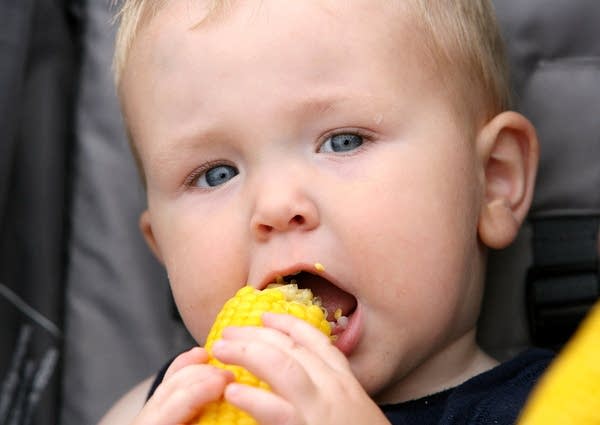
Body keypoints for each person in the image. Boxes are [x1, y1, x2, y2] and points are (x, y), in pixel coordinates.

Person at [100, 0, 553, 424]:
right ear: (164, 250)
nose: (275, 206)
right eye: (216, 174)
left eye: (343, 141)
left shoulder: (558, 404)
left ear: (493, 180)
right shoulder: (153, 408)